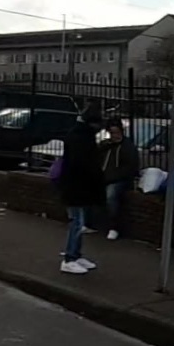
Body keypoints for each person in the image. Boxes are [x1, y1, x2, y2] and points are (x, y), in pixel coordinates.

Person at [57, 110, 117, 274]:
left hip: (78, 187)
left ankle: (75, 255)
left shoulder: (81, 135)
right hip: (76, 187)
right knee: (76, 222)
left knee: (79, 222)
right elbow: (82, 163)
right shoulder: (80, 139)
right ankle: (69, 258)